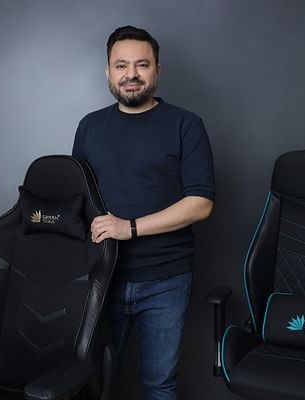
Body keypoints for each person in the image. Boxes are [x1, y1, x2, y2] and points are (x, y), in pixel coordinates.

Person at [71, 25, 215, 400]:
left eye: (141, 65)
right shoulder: (88, 127)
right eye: (121, 65)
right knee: (91, 383)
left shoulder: (186, 125)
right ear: (107, 72)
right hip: (102, 279)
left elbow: (200, 203)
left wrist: (128, 228)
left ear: (157, 71)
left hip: (166, 280)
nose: (131, 74)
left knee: (159, 385)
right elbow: (77, 198)